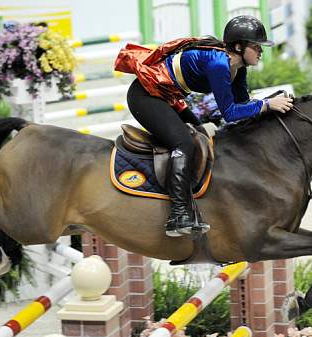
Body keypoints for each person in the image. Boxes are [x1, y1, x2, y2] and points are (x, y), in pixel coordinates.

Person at [115, 15, 294, 238]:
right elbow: (229, 113)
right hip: (145, 96)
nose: (260, 51)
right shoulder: (219, 64)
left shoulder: (238, 67)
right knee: (183, 142)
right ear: (238, 46)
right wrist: (267, 105)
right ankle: (178, 215)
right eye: (256, 46)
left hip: (166, 97)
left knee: (201, 135)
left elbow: (243, 104)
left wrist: (269, 103)